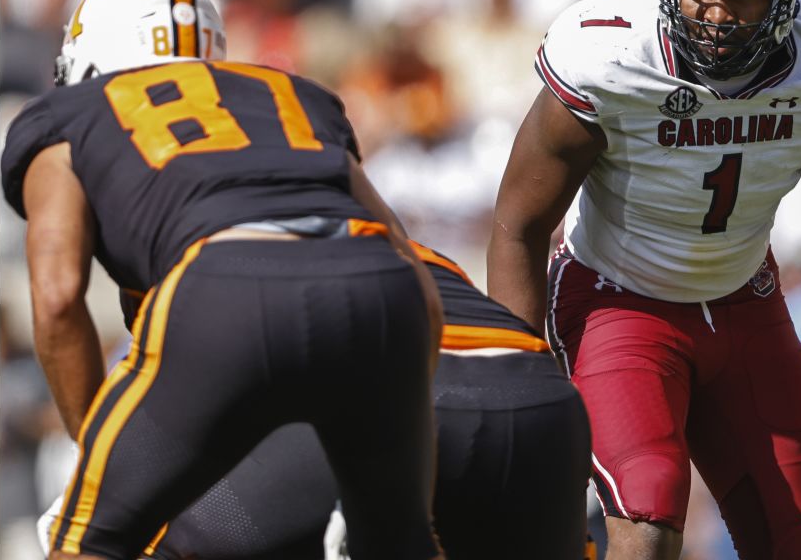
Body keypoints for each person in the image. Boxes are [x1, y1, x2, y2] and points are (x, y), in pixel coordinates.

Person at [488, 0, 801, 560]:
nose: (713, 11)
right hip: (618, 301)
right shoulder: (610, 54)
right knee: (646, 524)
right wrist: (519, 394)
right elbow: (518, 225)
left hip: (745, 302)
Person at [1, 0, 445, 560]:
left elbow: (57, 297)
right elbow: (408, 263)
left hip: (228, 287)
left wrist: (98, 454)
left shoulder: (69, 117)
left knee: (87, 539)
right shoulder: (293, 95)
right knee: (398, 546)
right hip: (382, 295)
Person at [38, 240, 594, 560]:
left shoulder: (210, 269)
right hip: (536, 405)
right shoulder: (398, 242)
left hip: (385, 415)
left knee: (119, 534)